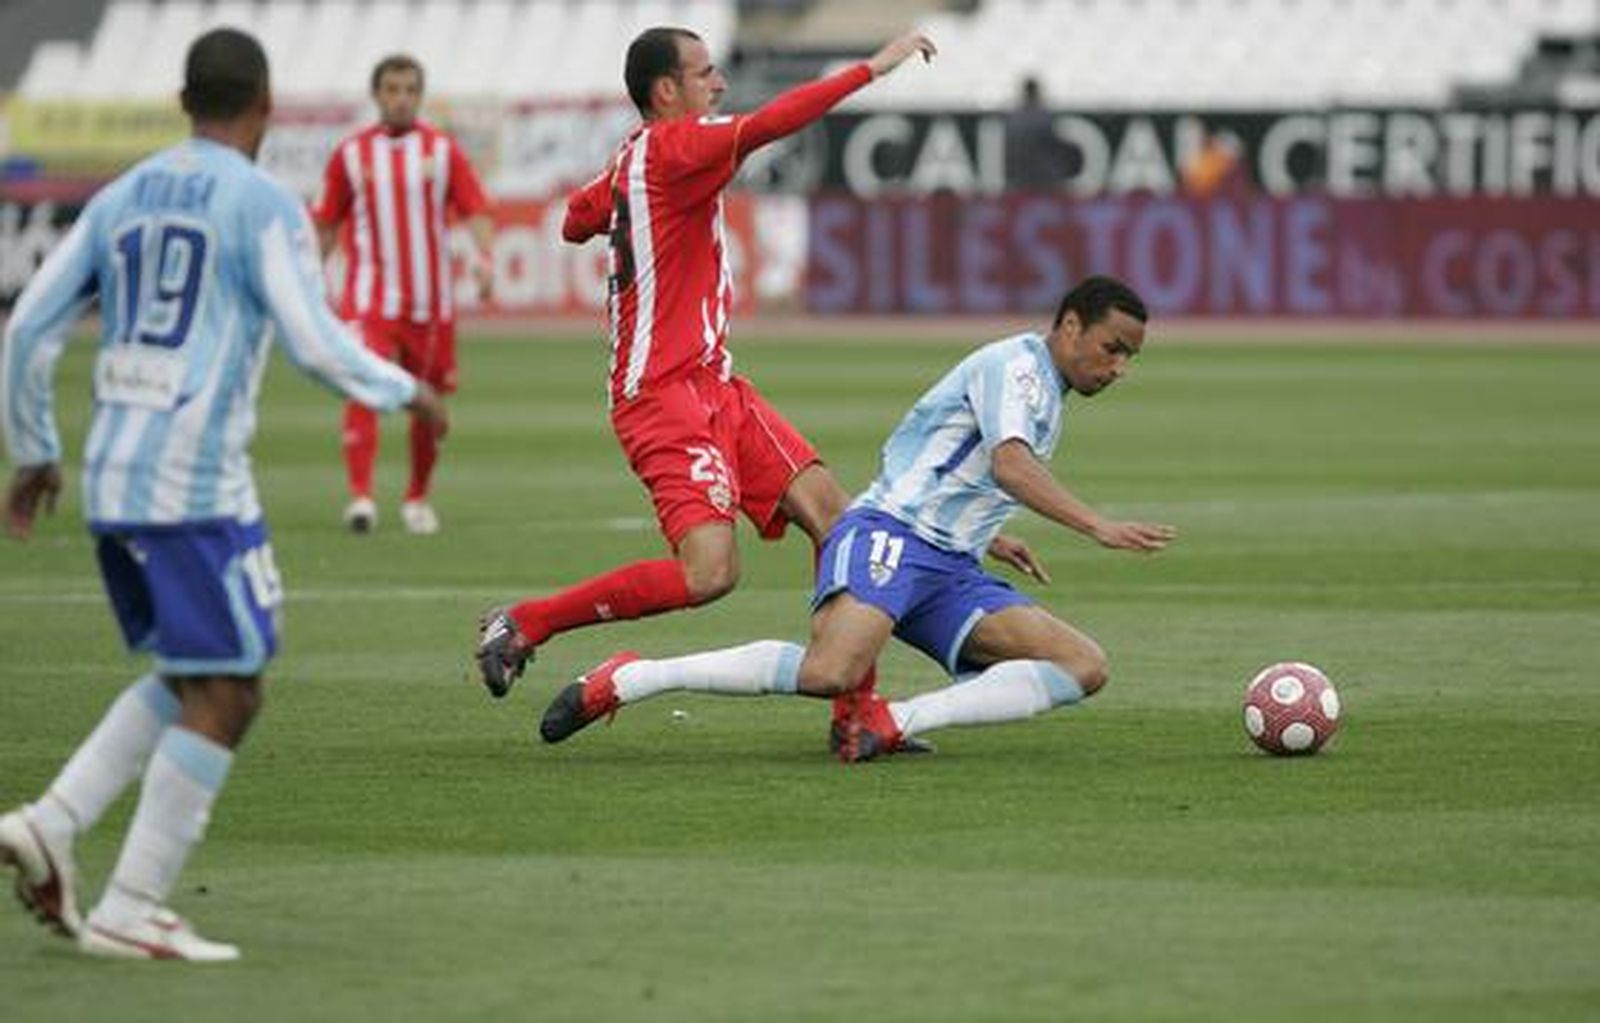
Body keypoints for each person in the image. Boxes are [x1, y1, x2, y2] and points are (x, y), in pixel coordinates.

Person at [0, 28, 447, 961]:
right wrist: (407, 390)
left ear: (182, 103)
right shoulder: (259, 203)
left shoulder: (120, 195)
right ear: (267, 105)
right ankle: (131, 907)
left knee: (191, 670)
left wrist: (36, 451)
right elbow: (314, 340)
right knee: (233, 687)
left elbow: (28, 328)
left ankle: (52, 821)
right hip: (191, 481)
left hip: (114, 472)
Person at [476, 27, 1023, 750]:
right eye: (705, 73)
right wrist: (870, 69)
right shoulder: (674, 147)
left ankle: (857, 714)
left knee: (837, 519)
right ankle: (528, 622)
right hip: (662, 396)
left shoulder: (637, 156)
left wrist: (620, 206)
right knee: (709, 573)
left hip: (716, 384)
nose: (720, 83)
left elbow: (577, 219)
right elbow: (772, 123)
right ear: (666, 90)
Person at [535, 276, 1176, 761]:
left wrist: (989, 534)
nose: (1118, 368)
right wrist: (1096, 525)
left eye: (1129, 358)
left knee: (1083, 664)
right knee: (829, 672)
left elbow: (952, 460)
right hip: (890, 537)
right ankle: (634, 677)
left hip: (950, 567)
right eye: (1112, 348)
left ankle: (893, 722)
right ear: (1070, 325)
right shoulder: (1018, 369)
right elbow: (1010, 465)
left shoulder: (1046, 388)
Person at [313, 54, 493, 536]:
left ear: (420, 95)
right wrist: (310, 277)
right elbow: (326, 222)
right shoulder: (351, 154)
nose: (401, 99)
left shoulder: (442, 151)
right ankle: (361, 498)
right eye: (392, 89)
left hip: (430, 305)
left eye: (410, 90)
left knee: (426, 402)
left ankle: (416, 498)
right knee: (362, 383)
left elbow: (475, 208)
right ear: (377, 95)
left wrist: (484, 258)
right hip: (370, 298)